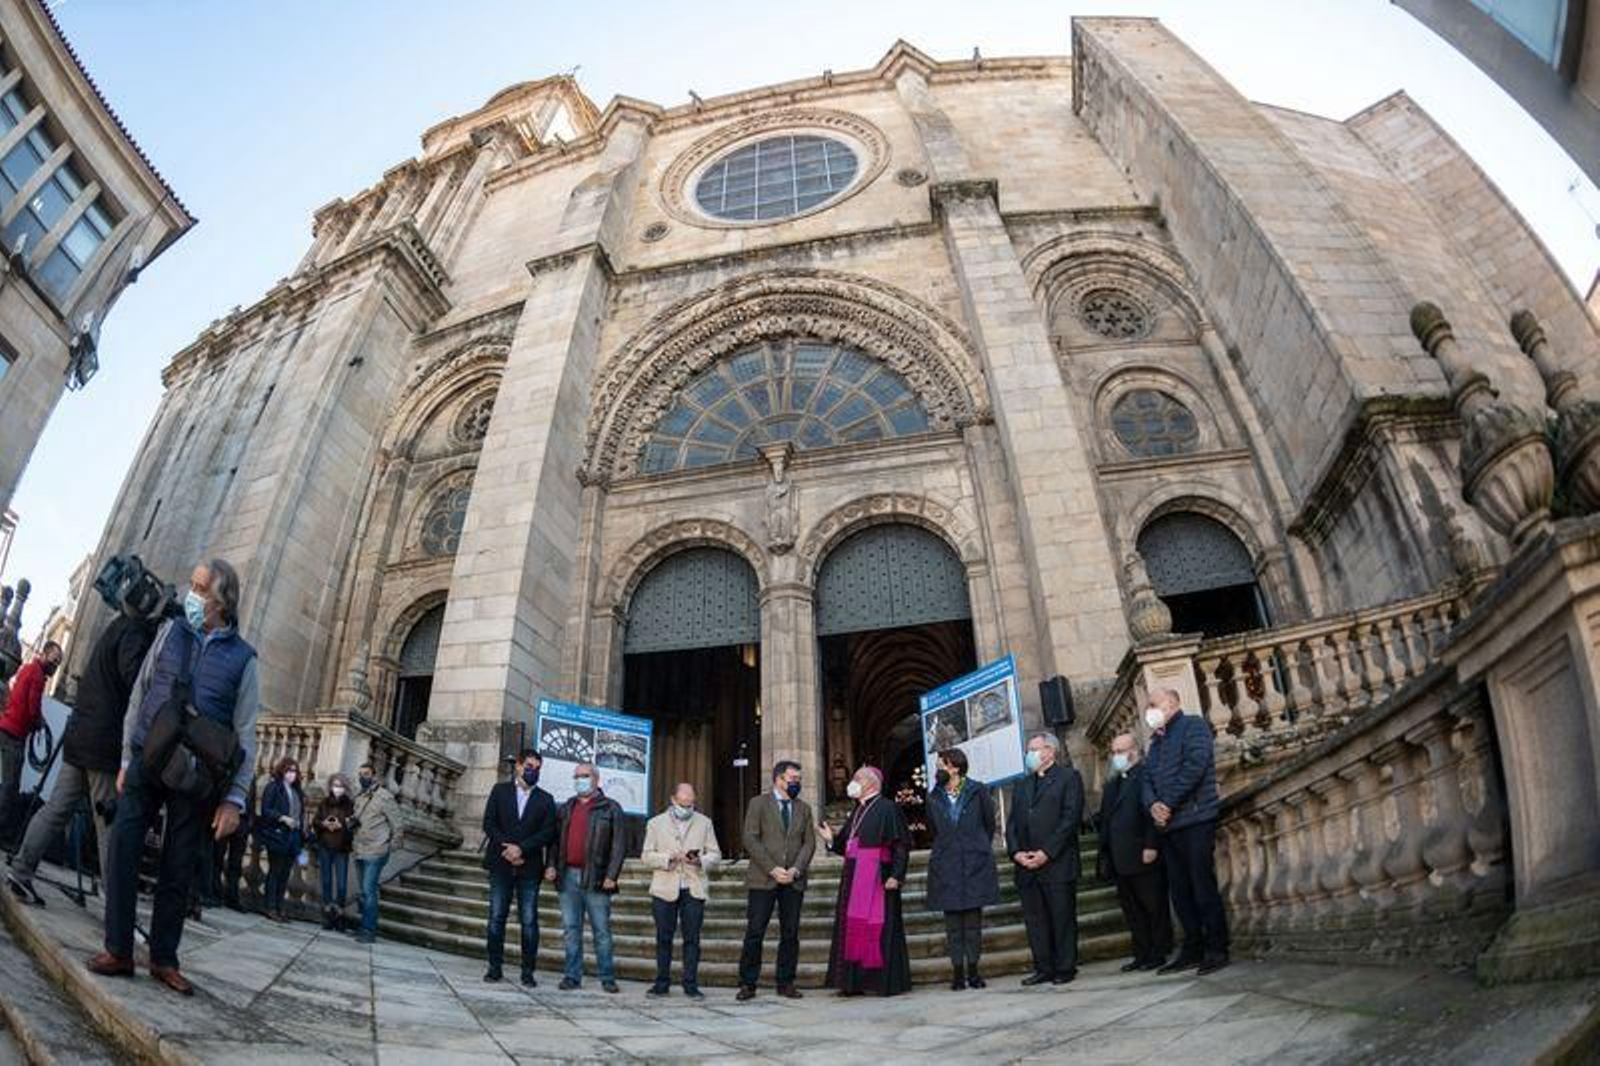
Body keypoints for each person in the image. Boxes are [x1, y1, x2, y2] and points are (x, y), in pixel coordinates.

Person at [89, 559, 258, 996]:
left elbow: (245, 735)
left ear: (222, 603)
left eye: (201, 589)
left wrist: (234, 799)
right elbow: (140, 694)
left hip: (196, 774)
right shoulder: (170, 631)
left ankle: (164, 958)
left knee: (178, 866)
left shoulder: (244, 660)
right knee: (123, 848)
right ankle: (118, 948)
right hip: (148, 756)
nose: (191, 593)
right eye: (194, 584)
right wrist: (127, 758)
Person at [6, 605, 154, 902]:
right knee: (108, 825)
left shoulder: (114, 628)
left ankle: (21, 871)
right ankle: (118, 911)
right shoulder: (133, 633)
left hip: (79, 737)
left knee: (56, 808)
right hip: (101, 744)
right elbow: (134, 679)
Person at [1142, 688, 1229, 975]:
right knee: (1180, 892)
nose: (1149, 709)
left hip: (1195, 819)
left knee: (1202, 886)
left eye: (1153, 704)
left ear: (1171, 703)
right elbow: (1146, 779)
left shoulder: (1193, 725)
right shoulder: (1155, 742)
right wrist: (1153, 803)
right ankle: (1192, 948)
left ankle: (1217, 948)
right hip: (1169, 827)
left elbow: (1196, 766)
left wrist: (1167, 802)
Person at [819, 766, 911, 997]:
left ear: (871, 783)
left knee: (880, 929)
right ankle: (854, 982)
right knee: (853, 927)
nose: (853, 782)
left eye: (857, 778)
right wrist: (831, 840)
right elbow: (844, 846)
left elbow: (901, 846)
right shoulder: (857, 811)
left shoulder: (888, 807)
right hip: (853, 877)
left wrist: (896, 876)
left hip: (879, 877)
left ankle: (881, 982)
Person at [1006, 731, 1084, 986]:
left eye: (1034, 749)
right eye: (1028, 750)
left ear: (1050, 751)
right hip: (1026, 866)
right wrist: (1016, 852)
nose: (1029, 754)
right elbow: (1012, 824)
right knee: (1035, 921)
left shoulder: (1069, 778)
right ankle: (1043, 967)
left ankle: (1065, 967)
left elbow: (1070, 819)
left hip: (1057, 862)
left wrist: (1046, 853)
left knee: (1061, 917)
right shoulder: (1022, 784)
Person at [736, 760, 816, 1002]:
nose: (796, 783)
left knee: (790, 933)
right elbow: (750, 838)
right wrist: (772, 869)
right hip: (763, 879)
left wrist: (796, 869)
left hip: (793, 880)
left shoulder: (804, 808)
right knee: (755, 931)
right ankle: (748, 983)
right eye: (793, 779)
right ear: (779, 779)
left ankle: (786, 982)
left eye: (799, 780)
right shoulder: (758, 804)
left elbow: (809, 843)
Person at [924, 747, 999, 991]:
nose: (937, 770)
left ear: (955, 767)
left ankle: (974, 971)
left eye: (941, 765)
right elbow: (933, 830)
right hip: (946, 865)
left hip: (975, 863)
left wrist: (976, 847)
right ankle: (957, 972)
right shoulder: (934, 796)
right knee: (953, 924)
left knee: (973, 923)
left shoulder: (977, 791)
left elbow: (989, 824)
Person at [1096, 732, 1173, 972]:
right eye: (1113, 752)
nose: (1115, 757)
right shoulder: (1113, 783)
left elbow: (1152, 811)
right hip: (1120, 857)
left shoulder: (1145, 775)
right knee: (1132, 910)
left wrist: (1151, 845)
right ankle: (1141, 952)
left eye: (1120, 751)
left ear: (1134, 751)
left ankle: (1159, 951)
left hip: (1142, 852)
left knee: (1153, 906)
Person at [481, 749, 557, 985]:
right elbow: (489, 823)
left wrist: (521, 849)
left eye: (537, 767)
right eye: (530, 766)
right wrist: (508, 848)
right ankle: (495, 968)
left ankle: (527, 972)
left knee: (529, 921)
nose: (533, 771)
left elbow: (548, 832)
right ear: (519, 766)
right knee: (496, 918)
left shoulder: (546, 799)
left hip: (529, 867)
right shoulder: (499, 791)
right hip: (500, 863)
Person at [548, 761, 625, 992]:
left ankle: (607, 977)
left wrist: (612, 874)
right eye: (577, 776)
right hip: (567, 876)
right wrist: (551, 865)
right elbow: (555, 841)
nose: (579, 780)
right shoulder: (566, 807)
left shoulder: (610, 808)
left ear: (596, 780)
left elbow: (619, 845)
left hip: (597, 878)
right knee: (571, 929)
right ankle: (572, 976)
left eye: (584, 775)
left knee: (601, 930)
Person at [641, 781, 722, 998]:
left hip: (693, 887)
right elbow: (646, 856)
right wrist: (668, 858)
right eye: (683, 804)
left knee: (692, 939)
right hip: (664, 887)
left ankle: (690, 984)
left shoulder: (705, 823)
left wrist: (700, 860)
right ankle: (662, 982)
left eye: (691, 804)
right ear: (673, 800)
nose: (687, 808)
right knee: (663, 937)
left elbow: (716, 855)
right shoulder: (655, 823)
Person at [0, 641, 63, 843]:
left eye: (57, 664)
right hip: (15, 733)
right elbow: (32, 707)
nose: (54, 667)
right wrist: (38, 723)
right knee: (11, 785)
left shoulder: (27, 669)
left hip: (6, 726)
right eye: (54, 661)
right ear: (44, 654)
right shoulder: (37, 676)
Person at [349, 761, 398, 945]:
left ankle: (369, 930)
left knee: (369, 891)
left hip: (376, 851)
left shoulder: (385, 797)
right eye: (360, 774)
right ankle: (363, 927)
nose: (363, 778)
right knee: (364, 891)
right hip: (360, 849)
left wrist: (388, 847)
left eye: (367, 774)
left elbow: (398, 824)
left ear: (374, 776)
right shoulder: (359, 797)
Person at [257, 757, 305, 922]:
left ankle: (279, 906)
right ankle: (269, 907)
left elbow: (301, 814)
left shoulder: (297, 791)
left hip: (293, 837)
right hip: (277, 835)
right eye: (289, 770)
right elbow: (266, 810)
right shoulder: (273, 787)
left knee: (285, 874)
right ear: (282, 771)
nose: (292, 774)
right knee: (275, 872)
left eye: (295, 771)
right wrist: (282, 818)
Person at [312, 772, 355, 930]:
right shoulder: (324, 803)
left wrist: (342, 825)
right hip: (325, 846)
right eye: (336, 785)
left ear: (346, 788)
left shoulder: (350, 805)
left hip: (342, 849)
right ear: (331, 786)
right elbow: (315, 821)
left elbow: (354, 826)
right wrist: (324, 824)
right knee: (327, 883)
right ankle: (328, 917)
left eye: (341, 786)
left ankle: (339, 915)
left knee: (342, 885)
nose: (338, 788)